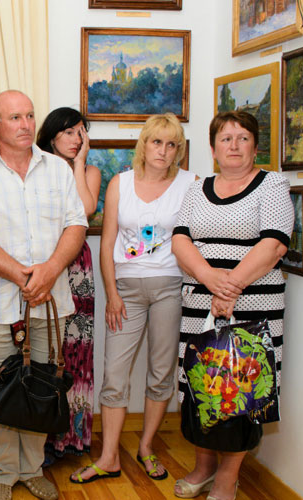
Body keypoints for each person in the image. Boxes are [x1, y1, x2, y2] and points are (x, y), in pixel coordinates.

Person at [0, 90, 87, 500]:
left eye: (30, 115)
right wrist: (25, 277)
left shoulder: (58, 170)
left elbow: (76, 226)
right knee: (0, 388)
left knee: (41, 385)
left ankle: (31, 467)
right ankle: (0, 471)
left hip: (52, 301)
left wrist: (49, 272)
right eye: (15, 117)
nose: (26, 124)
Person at [171, 111, 293, 500]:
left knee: (243, 389)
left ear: (256, 147)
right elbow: (180, 240)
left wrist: (230, 287)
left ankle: (228, 477)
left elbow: (274, 243)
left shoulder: (272, 184)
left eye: (243, 138)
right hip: (200, 303)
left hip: (253, 304)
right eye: (226, 138)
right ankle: (204, 467)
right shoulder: (197, 188)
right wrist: (209, 278)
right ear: (213, 149)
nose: (234, 145)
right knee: (201, 383)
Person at [69, 113, 195, 485]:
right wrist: (112, 294)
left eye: (172, 144)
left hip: (171, 287)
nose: (163, 151)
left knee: (161, 372)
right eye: (157, 142)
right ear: (144, 144)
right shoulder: (120, 183)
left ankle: (146, 447)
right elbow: (107, 243)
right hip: (125, 290)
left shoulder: (191, 184)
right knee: (115, 375)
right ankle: (108, 457)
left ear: (178, 150)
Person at [36, 107, 100, 460]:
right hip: (46, 261)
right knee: (46, 352)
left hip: (77, 267)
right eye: (69, 132)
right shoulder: (37, 170)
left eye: (81, 132)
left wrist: (79, 163)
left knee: (77, 350)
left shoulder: (89, 171)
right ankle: (41, 439)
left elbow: (85, 209)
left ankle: (72, 436)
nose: (76, 138)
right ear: (51, 136)